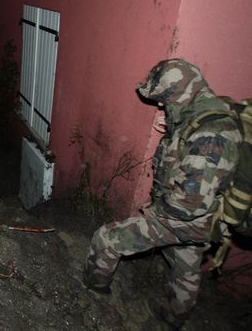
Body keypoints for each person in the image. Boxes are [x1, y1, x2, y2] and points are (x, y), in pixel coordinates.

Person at [83, 59, 242, 329]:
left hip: (186, 218)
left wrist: (155, 213)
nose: (159, 106)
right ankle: (172, 320)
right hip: (201, 222)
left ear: (180, 95)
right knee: (186, 273)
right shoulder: (203, 115)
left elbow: (189, 202)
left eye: (164, 100)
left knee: (107, 239)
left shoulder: (212, 134)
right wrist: (173, 131)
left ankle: (92, 293)